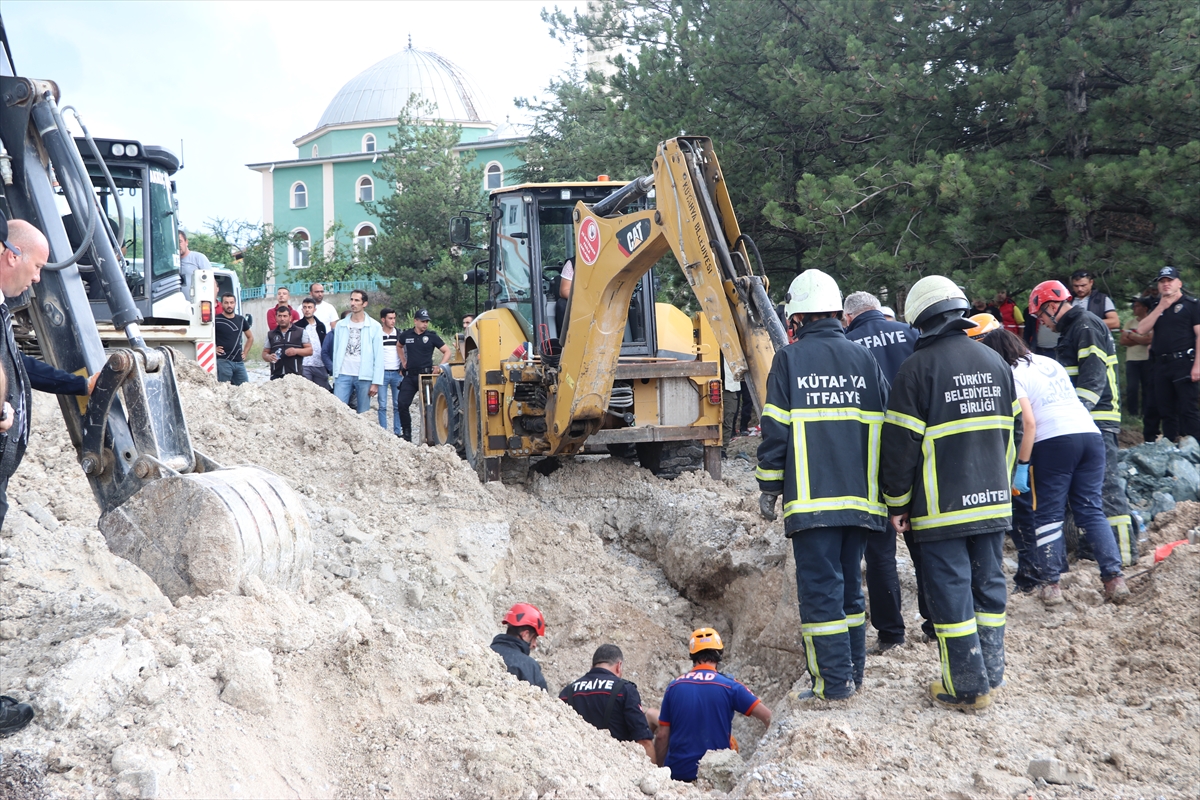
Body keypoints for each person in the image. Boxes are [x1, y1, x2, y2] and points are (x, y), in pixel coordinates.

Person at [880, 275, 1017, 712]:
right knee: (990, 587)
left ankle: (965, 687)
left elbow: (900, 446)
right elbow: (1010, 437)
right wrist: (1001, 485)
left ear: (919, 319)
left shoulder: (916, 370)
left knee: (951, 594)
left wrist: (897, 503)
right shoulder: (995, 361)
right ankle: (990, 676)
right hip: (993, 501)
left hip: (942, 511)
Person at [757, 272, 889, 700]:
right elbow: (886, 427)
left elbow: (775, 430)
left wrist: (768, 487)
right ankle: (853, 672)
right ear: (836, 313)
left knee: (820, 596)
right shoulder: (865, 359)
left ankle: (832, 685)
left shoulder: (789, 361)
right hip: (863, 502)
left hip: (814, 505)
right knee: (851, 587)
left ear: (796, 318)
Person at [980, 329, 1129, 604]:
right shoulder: (1048, 363)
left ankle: (1051, 585)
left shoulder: (1013, 374)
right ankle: (1114, 578)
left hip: (1055, 443)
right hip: (1090, 436)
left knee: (1047, 513)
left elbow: (1029, 424)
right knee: (1091, 509)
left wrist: (1022, 466)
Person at [1029, 280, 1137, 566]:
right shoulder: (1073, 328)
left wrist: (1074, 414)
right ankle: (1094, 551)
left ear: (1052, 307)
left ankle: (1124, 555)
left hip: (1097, 418)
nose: (1041, 323)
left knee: (1107, 489)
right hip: (1087, 420)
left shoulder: (1085, 325)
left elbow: (1092, 378)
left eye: (1040, 316)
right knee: (1089, 493)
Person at [842, 290, 921, 653]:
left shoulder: (847, 344)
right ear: (878, 310)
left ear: (848, 317)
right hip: (918, 449)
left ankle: (891, 633)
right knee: (927, 545)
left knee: (880, 551)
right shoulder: (910, 333)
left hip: (872, 456)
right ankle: (938, 623)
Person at [655, 628, 771, 782]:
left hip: (677, 774)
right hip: (714, 776)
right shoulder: (730, 686)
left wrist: (657, 770)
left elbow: (662, 735)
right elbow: (769, 717)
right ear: (719, 654)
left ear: (693, 655)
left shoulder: (674, 686)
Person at [1134, 266, 1200, 444]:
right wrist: (1161, 307)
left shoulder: (1192, 305)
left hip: (1184, 362)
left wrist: (1198, 365)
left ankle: (1196, 451)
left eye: (1169, 281)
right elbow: (1141, 329)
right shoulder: (1157, 305)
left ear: (1179, 283)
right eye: (1162, 281)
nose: (1166, 285)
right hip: (1161, 364)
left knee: (1188, 409)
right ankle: (1170, 447)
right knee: (1166, 410)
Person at [559, 644, 655, 761]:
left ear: (592, 666)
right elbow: (643, 740)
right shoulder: (625, 690)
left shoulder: (568, 691)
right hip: (615, 767)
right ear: (619, 666)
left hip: (576, 766)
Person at [397, 309, 450, 441]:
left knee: (430, 406)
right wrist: (403, 361)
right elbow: (398, 345)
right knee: (402, 404)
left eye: (426, 321)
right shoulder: (407, 335)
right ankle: (407, 434)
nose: (425, 324)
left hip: (426, 376)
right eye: (422, 321)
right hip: (410, 376)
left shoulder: (431, 336)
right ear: (415, 321)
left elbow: (447, 351)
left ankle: (431, 436)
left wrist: (439, 367)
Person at [331, 289, 383, 413]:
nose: (353, 303)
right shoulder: (341, 325)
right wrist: (335, 375)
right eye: (351, 299)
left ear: (364, 304)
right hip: (343, 373)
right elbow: (336, 351)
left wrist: (376, 382)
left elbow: (379, 355)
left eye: (357, 300)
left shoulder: (375, 326)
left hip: (364, 375)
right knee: (339, 411)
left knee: (364, 412)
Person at [1121, 297, 1159, 441]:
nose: (1133, 309)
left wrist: (1133, 335)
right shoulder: (1130, 323)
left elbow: (1150, 340)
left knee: (1147, 388)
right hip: (1132, 360)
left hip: (1147, 359)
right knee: (1132, 388)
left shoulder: (1151, 320)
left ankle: (1145, 412)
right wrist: (1140, 337)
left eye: (1136, 306)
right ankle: (1132, 413)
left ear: (1144, 308)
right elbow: (1123, 340)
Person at [489, 603, 548, 691]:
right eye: (534, 638)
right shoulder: (530, 667)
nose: (535, 644)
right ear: (525, 634)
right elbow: (543, 700)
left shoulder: (486, 652)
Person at [214, 292, 253, 386]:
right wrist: (213, 349)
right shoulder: (215, 320)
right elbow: (207, 337)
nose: (229, 305)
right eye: (226, 303)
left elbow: (250, 337)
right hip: (223, 361)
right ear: (222, 304)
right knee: (223, 389)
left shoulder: (241, 320)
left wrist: (246, 352)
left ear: (235, 303)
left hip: (239, 362)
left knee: (245, 390)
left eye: (231, 302)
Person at [376, 308, 404, 436]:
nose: (393, 321)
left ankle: (397, 432)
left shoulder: (399, 334)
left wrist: (403, 368)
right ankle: (383, 432)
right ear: (383, 319)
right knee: (382, 404)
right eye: (390, 318)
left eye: (394, 318)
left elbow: (405, 352)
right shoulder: (377, 334)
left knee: (398, 405)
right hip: (382, 373)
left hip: (397, 373)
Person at [263, 306, 309, 379]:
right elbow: (264, 353)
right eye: (280, 316)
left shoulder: (300, 332)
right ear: (276, 317)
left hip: (295, 376)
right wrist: (269, 357)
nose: (282, 319)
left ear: (290, 317)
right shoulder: (271, 334)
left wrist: (296, 351)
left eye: (285, 316)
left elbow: (309, 350)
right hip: (276, 376)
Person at [296, 297, 330, 389]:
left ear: (314, 309)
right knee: (306, 391)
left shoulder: (321, 325)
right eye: (305, 307)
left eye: (310, 307)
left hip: (320, 363)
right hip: (304, 364)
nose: (307, 310)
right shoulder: (297, 326)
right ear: (302, 309)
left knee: (323, 392)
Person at [177, 230, 211, 300]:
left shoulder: (198, 258)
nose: (178, 245)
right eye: (174, 243)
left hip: (195, 305)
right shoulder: (169, 263)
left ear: (186, 242)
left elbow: (211, 282)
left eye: (180, 242)